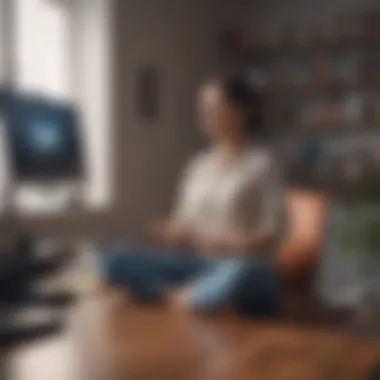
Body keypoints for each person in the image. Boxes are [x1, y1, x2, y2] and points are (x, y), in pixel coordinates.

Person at [101, 73, 286, 314]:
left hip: (239, 265)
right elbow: (183, 225)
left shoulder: (263, 164)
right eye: (202, 109)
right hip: (197, 266)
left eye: (213, 109)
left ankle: (185, 296)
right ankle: (187, 296)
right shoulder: (197, 165)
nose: (204, 117)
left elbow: (271, 234)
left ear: (241, 111)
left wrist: (214, 240)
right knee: (113, 257)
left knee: (244, 271)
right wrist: (169, 232)